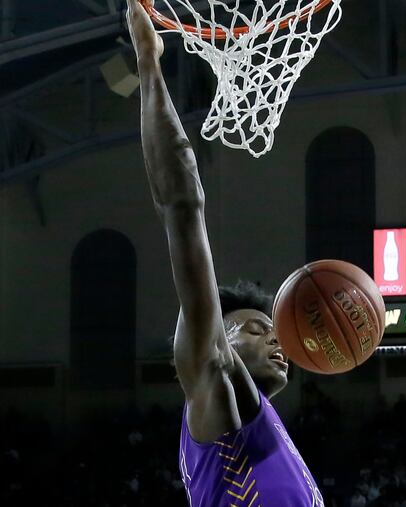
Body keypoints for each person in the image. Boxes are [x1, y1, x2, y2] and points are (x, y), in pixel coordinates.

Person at [125, 1, 322, 506]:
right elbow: (181, 205)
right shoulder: (214, 389)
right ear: (219, 337)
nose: (277, 341)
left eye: (275, 332)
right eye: (256, 329)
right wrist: (149, 61)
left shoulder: (266, 432)